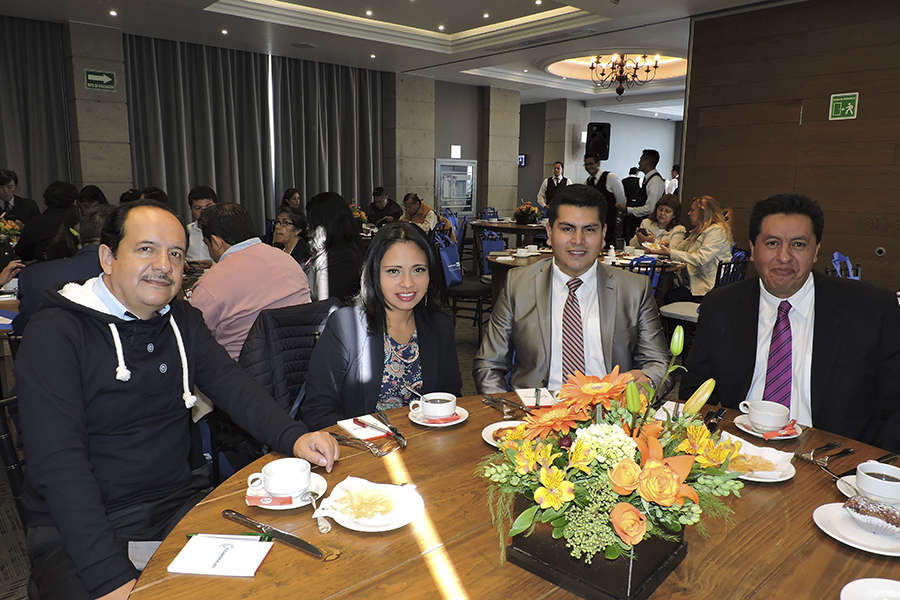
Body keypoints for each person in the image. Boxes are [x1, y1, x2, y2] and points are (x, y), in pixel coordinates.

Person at [17, 200, 339, 600]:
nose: (164, 264)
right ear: (108, 257)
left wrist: (294, 436)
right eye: (146, 249)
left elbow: (230, 383)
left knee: (282, 573)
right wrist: (109, 578)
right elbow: (58, 463)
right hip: (77, 525)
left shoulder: (180, 319)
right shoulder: (56, 333)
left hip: (174, 503)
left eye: (176, 253)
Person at [680, 194, 900, 452]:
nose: (784, 257)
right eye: (772, 243)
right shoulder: (721, 306)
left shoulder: (870, 310)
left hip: (828, 458)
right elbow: (695, 392)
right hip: (736, 452)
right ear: (752, 249)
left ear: (816, 251)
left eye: (798, 244)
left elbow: (893, 409)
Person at [473, 184, 669, 394]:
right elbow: (489, 365)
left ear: (603, 234)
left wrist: (646, 382)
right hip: (536, 415)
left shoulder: (633, 289)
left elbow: (659, 365)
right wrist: (509, 417)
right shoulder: (518, 285)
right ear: (549, 232)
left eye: (589, 229)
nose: (578, 241)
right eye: (567, 228)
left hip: (609, 416)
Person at [302, 222, 462, 429]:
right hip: (364, 450)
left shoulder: (440, 325)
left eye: (418, 270)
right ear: (374, 274)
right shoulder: (346, 327)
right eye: (394, 271)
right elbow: (317, 412)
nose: (408, 283)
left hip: (425, 448)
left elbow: (451, 398)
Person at [190, 203, 311, 359]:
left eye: (207, 244)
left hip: (240, 375)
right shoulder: (289, 262)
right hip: (298, 366)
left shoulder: (210, 284)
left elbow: (192, 337)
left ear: (216, 242)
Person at [13, 204, 113, 335]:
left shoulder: (33, 275)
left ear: (78, 234)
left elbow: (22, 328)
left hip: (48, 351)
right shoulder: (134, 277)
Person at [648, 195, 732, 300]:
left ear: (703, 213)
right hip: (694, 282)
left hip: (706, 288)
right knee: (666, 293)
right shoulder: (699, 230)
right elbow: (681, 249)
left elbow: (700, 258)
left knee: (666, 295)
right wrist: (667, 248)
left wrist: (670, 252)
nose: (689, 213)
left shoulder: (716, 231)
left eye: (692, 210)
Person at [305, 192, 363, 301]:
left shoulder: (343, 259)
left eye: (311, 222)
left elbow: (326, 305)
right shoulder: (334, 250)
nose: (308, 227)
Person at [16, 181, 78, 261]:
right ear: (74, 201)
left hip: (42, 268)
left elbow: (22, 252)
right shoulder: (78, 222)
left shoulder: (35, 223)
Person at [583, 153, 626, 249]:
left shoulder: (610, 177)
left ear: (598, 163)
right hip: (593, 224)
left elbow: (621, 201)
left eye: (591, 163)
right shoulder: (588, 182)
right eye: (586, 164)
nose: (588, 167)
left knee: (609, 250)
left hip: (610, 223)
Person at [625, 149, 666, 241]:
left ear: (647, 161)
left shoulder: (655, 181)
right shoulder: (647, 179)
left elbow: (650, 208)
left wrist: (628, 210)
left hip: (648, 227)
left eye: (641, 159)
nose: (639, 162)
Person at [185, 185, 217, 266]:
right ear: (191, 210)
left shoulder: (227, 230)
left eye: (208, 206)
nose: (204, 212)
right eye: (198, 208)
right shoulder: (185, 231)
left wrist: (212, 264)